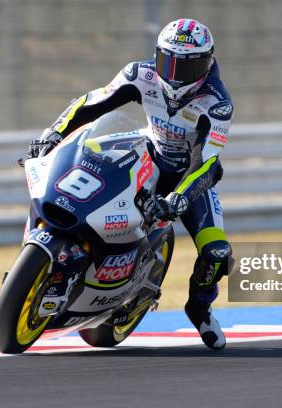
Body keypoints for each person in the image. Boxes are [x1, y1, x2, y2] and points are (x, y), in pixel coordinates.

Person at [28, 18, 234, 350]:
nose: (177, 74)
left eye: (189, 65)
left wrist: (179, 198)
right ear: (158, 56)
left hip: (189, 181)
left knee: (217, 253)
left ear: (207, 63)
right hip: (147, 158)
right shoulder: (140, 74)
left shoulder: (217, 103)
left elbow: (207, 162)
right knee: (89, 188)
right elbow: (92, 104)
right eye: (170, 62)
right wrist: (53, 134)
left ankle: (200, 310)